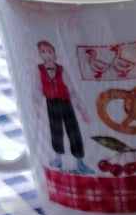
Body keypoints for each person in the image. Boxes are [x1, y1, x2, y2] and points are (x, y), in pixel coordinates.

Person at [36, 41, 93, 175]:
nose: (47, 55)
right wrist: (37, 105)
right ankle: (58, 158)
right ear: (40, 55)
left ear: (55, 54)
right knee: (55, 130)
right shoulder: (38, 70)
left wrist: (83, 111)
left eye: (50, 52)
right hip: (51, 102)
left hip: (65, 102)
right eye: (43, 52)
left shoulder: (62, 70)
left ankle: (80, 163)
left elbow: (72, 90)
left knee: (73, 130)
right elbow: (37, 88)